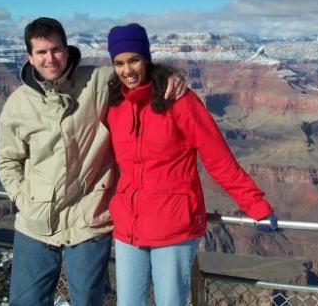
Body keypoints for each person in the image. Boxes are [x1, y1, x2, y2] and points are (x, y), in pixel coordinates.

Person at [0, 17, 185, 306]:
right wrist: (23, 198)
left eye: (56, 50)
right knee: (26, 301)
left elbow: (133, 70)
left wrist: (166, 75)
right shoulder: (18, 104)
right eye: (42, 52)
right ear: (30, 57)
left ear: (67, 49)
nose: (50, 58)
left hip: (89, 219)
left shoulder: (97, 81)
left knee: (87, 301)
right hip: (36, 221)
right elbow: (8, 159)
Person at [105, 23, 278, 306]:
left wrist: (256, 206)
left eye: (134, 60)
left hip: (172, 225)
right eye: (119, 63)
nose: (128, 70)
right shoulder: (113, 104)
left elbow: (219, 160)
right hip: (128, 225)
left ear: (146, 58)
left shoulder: (179, 100)